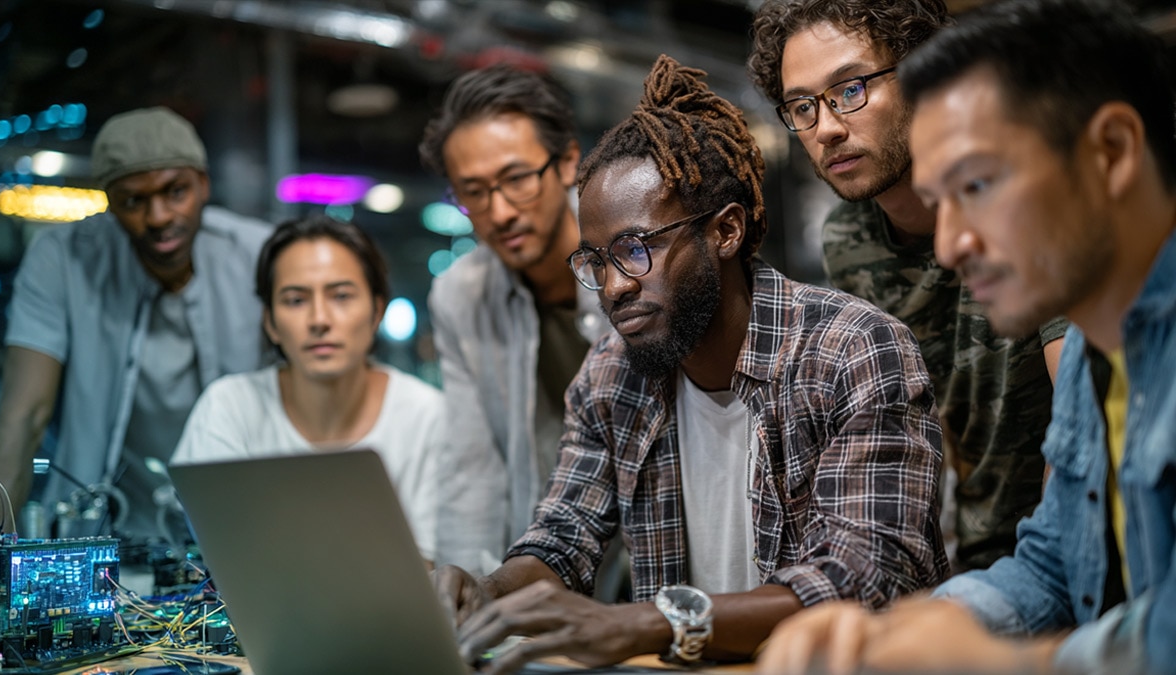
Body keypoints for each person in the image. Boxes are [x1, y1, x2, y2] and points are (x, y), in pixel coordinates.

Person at [431, 54, 948, 675]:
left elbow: (862, 579)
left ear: (725, 232)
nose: (613, 286)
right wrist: (486, 593)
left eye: (635, 250)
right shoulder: (610, 374)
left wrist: (642, 623)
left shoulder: (852, 351)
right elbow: (563, 536)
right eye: (596, 260)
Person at [759, 1, 1176, 672]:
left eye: (978, 185)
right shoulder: (1098, 354)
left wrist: (1012, 662)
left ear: (1112, 151)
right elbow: (1053, 564)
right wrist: (906, 627)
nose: (949, 245)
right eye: (940, 198)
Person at [748, 0, 1066, 571]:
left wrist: (1041, 584)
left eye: (850, 89)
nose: (826, 128)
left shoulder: (1019, 198)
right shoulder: (849, 238)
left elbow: (1080, 422)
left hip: (1067, 556)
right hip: (972, 558)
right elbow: (916, 432)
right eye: (801, 106)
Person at [0, 107, 272, 543]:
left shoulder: (259, 256)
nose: (158, 217)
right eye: (134, 200)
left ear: (204, 185)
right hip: (105, 538)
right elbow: (24, 417)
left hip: (249, 526)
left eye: (176, 192)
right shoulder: (62, 258)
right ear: (109, 201)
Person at [419, 65, 610, 574]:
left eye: (517, 179)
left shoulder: (632, 259)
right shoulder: (461, 295)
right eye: (474, 192)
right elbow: (471, 467)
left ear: (568, 162)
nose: (499, 211)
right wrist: (467, 599)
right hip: (552, 560)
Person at [171, 215, 444, 563]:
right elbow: (220, 552)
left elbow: (440, 573)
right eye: (296, 300)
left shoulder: (430, 417)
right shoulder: (229, 408)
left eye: (341, 296)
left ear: (377, 311)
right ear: (270, 322)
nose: (319, 319)